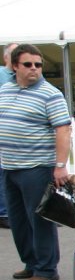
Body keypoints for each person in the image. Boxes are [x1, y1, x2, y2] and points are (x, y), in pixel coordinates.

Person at [0, 44, 71, 280]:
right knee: (18, 220)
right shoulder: (6, 89)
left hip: (37, 168)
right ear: (15, 66)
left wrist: (60, 165)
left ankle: (46, 268)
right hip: (9, 167)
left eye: (38, 65)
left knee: (39, 219)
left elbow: (62, 129)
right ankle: (31, 263)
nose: (34, 69)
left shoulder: (50, 94)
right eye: (28, 64)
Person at [0, 42, 17, 228]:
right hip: (5, 138)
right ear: (6, 57)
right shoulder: (2, 76)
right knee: (5, 175)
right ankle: (4, 213)